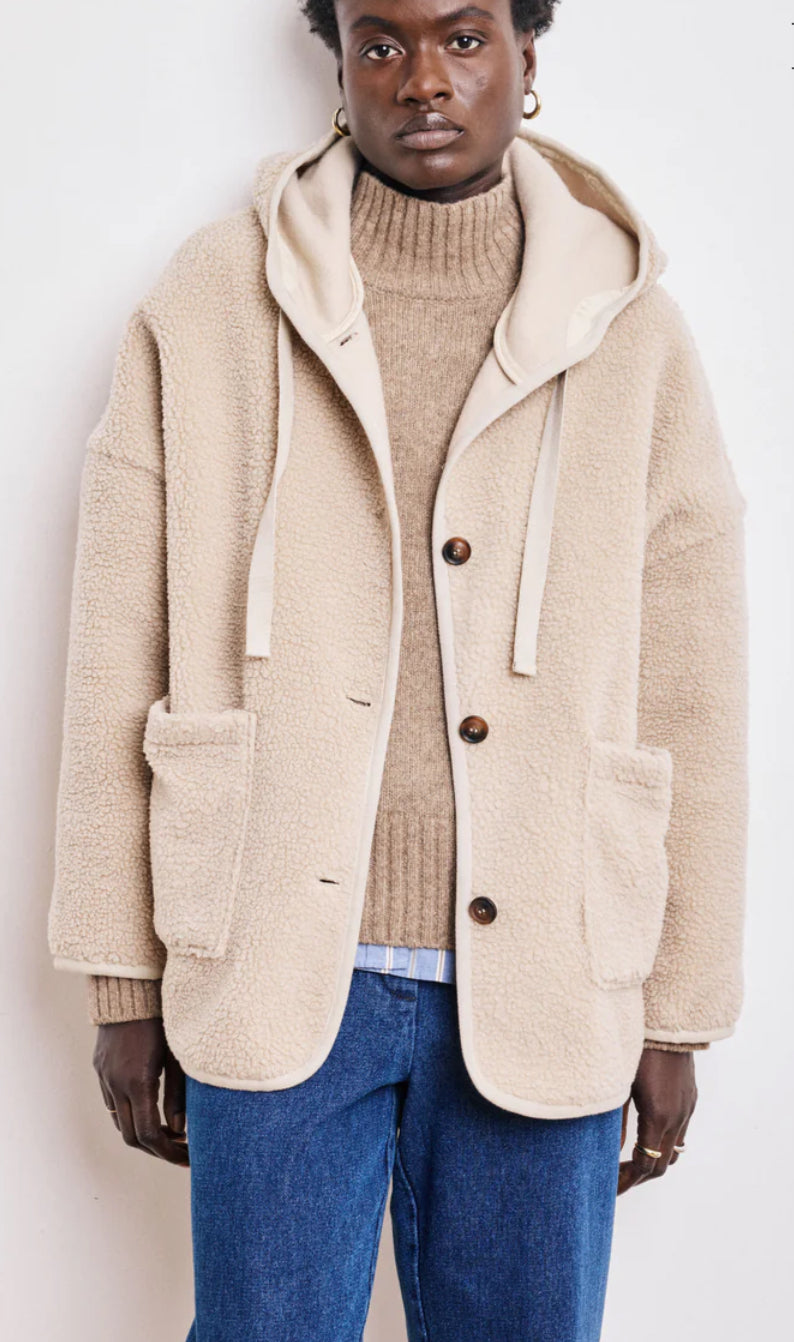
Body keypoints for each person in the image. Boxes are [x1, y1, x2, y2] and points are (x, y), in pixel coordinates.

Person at [47, 1, 749, 1338]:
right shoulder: (213, 300)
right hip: (266, 953)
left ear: (527, 57)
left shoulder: (630, 332)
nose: (423, 79)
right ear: (339, 65)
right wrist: (119, 977)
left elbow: (696, 688)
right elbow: (113, 649)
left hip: (551, 964)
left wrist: (677, 1008)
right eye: (381, 42)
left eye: (464, 38)